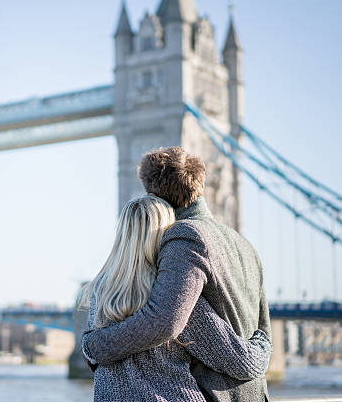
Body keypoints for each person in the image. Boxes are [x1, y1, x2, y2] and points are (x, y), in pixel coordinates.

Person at [82, 147, 272, 401]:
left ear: (153, 194)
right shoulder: (245, 246)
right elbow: (263, 329)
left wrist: (92, 347)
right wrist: (262, 349)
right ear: (200, 183)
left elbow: (164, 322)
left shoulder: (183, 236)